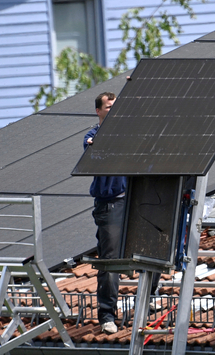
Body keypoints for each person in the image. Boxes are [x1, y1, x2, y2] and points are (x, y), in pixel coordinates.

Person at [84, 92, 159, 335]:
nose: (113, 111)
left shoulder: (130, 134)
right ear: (98, 111)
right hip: (112, 205)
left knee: (154, 254)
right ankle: (107, 315)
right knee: (111, 261)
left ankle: (145, 304)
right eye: (108, 107)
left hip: (137, 202)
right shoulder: (93, 137)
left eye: (116, 106)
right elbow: (92, 151)